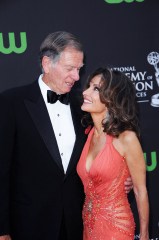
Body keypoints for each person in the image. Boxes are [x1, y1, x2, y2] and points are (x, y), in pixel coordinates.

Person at [0, 32, 132, 240]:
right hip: (29, 224)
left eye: (79, 69)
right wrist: (2, 229)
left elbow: (107, 147)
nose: (77, 77)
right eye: (70, 69)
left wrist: (123, 176)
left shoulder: (84, 106)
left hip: (76, 223)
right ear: (46, 63)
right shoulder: (11, 102)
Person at [77, 67, 149, 240]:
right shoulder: (87, 134)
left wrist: (145, 235)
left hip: (116, 228)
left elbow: (140, 191)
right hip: (88, 227)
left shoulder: (126, 138)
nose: (85, 92)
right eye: (89, 86)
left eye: (96, 89)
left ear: (111, 98)